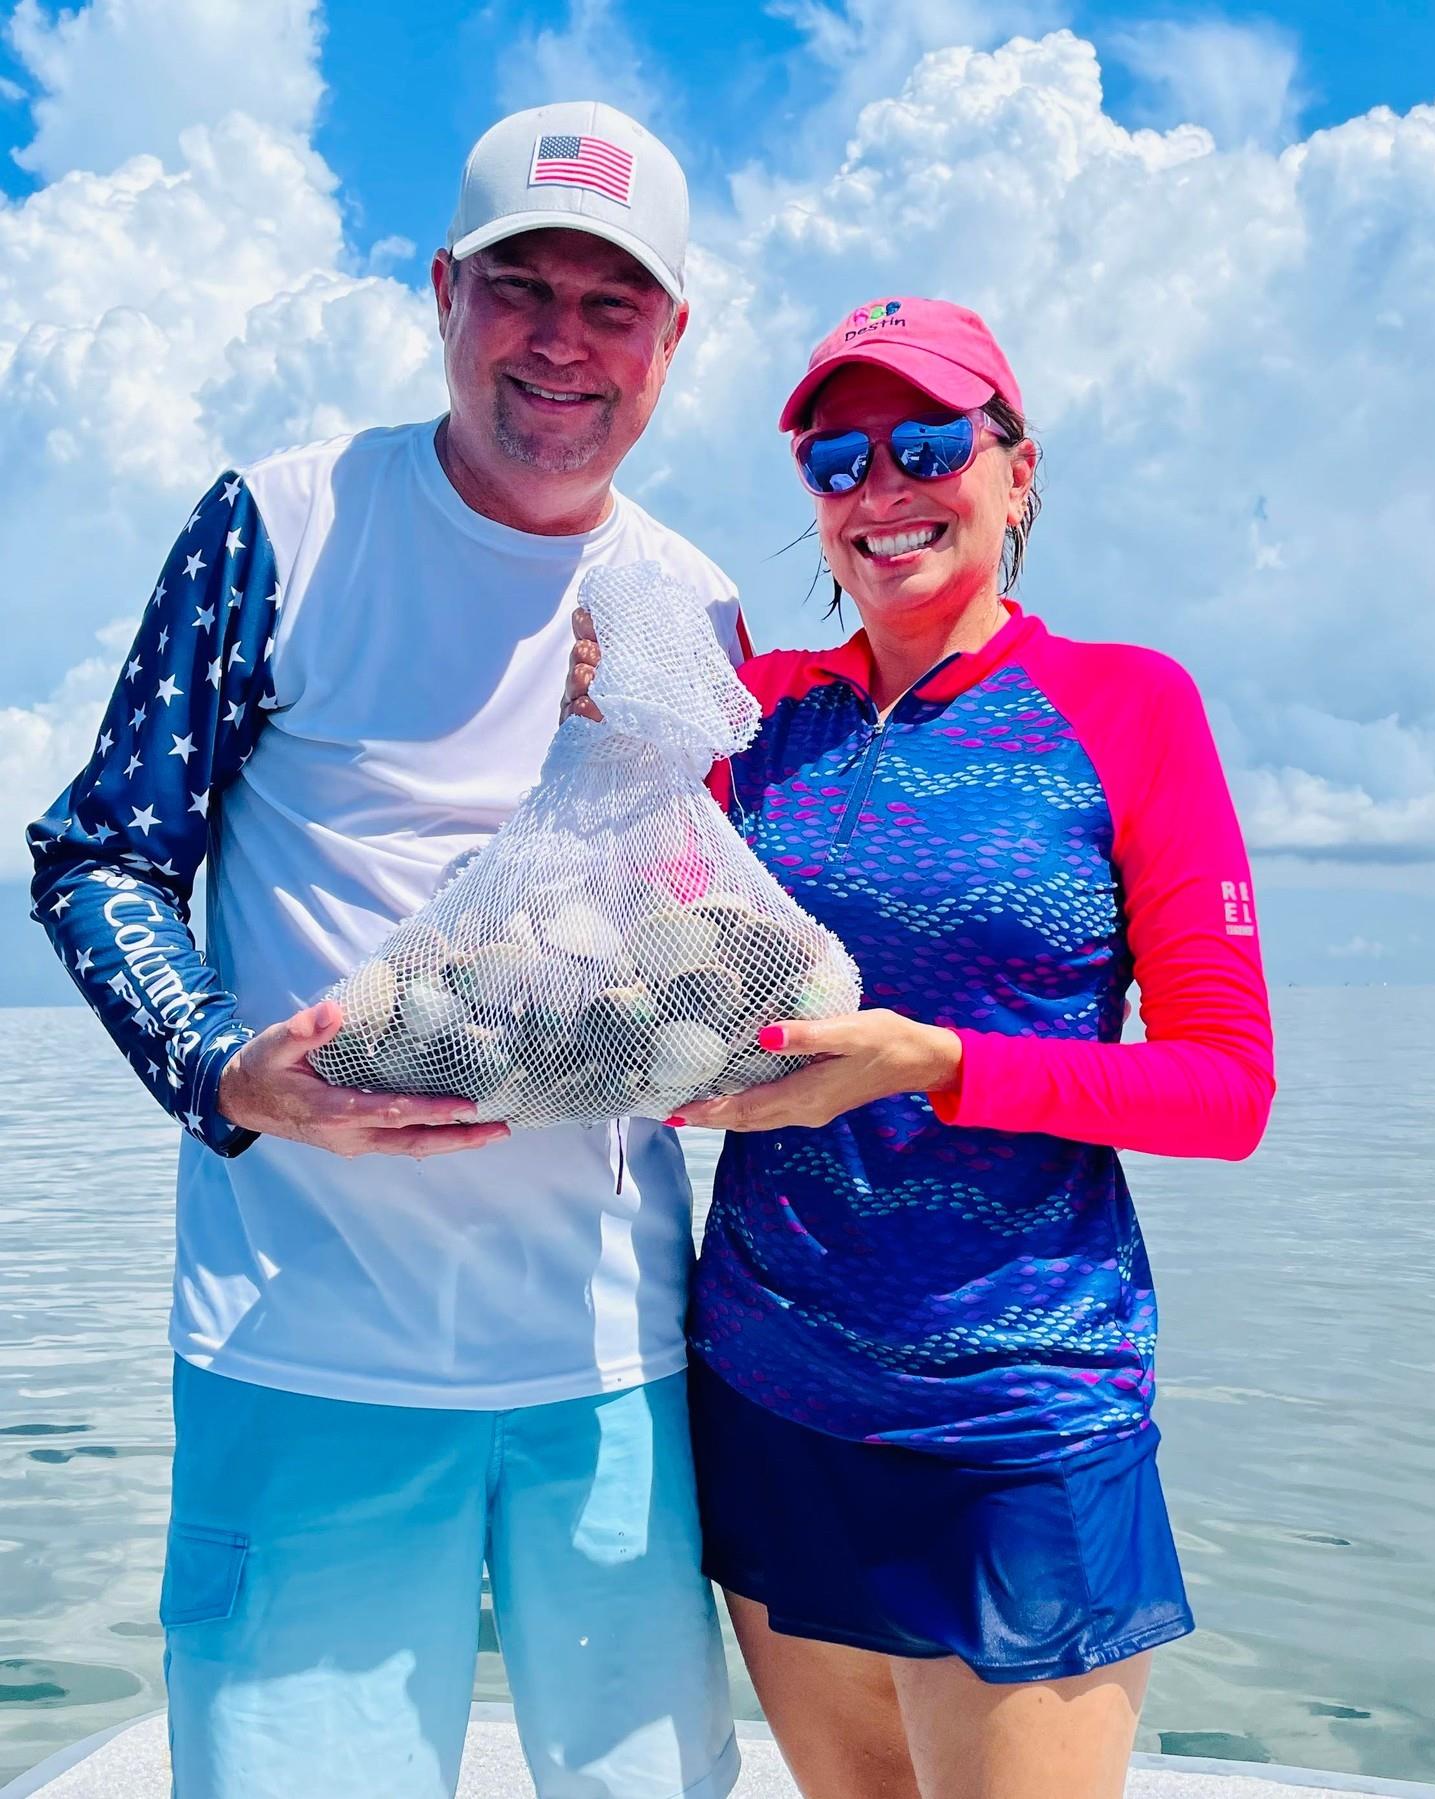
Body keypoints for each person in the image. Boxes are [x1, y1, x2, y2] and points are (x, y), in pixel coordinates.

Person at [28, 101, 748, 1799]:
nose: (562, 343)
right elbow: (99, 852)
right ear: (442, 292)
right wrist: (225, 1067)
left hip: (614, 1370)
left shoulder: (699, 604)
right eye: (523, 288)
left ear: (672, 340)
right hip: (304, 1351)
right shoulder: (279, 526)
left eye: (612, 303)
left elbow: (707, 939)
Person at [563, 296, 1276, 1799]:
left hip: (1020, 1411)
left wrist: (942, 1060)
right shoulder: (754, 713)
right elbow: (649, 962)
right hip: (765, 1385)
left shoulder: (1126, 706)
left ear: (1017, 472)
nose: (883, 491)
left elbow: (1226, 1091)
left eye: (930, 444)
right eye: (838, 461)